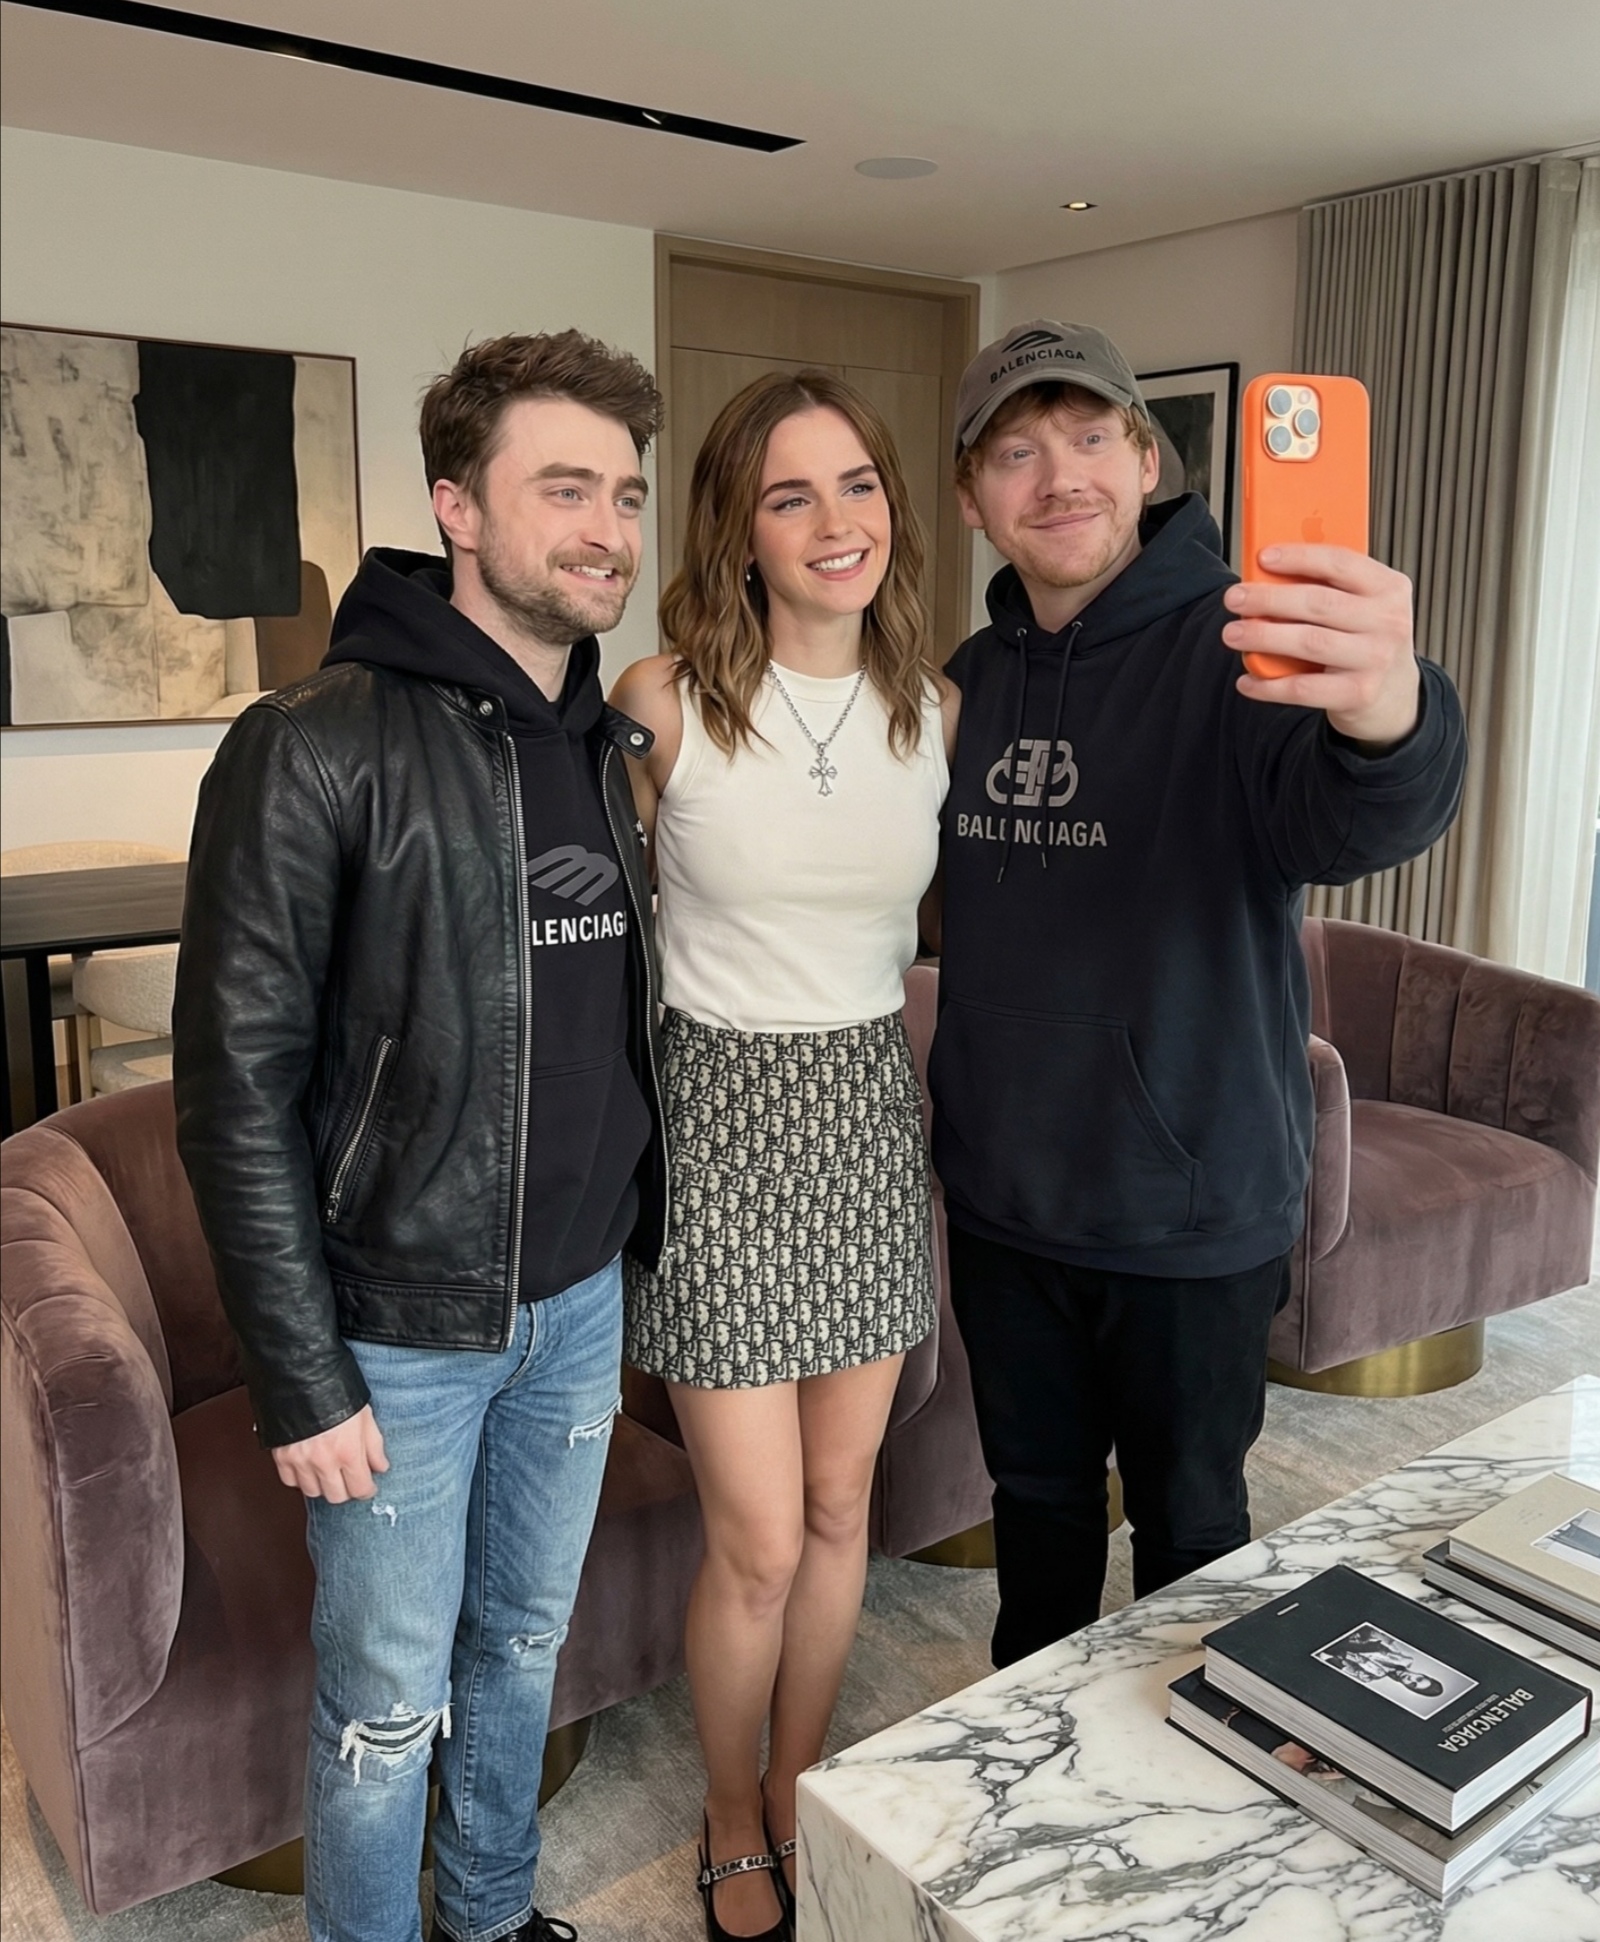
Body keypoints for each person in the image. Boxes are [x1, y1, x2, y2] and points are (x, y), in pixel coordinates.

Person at [173, 330, 669, 1942]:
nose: (608, 528)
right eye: (566, 488)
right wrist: (302, 1373)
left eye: (627, 494)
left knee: (522, 1646)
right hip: (401, 1331)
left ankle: (494, 1916)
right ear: (457, 504)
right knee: (385, 1706)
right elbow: (232, 1089)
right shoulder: (311, 743)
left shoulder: (606, 745)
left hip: (578, 1306)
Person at [929, 320, 1467, 1667]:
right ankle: (1043, 1765)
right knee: (1036, 1525)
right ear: (973, 496)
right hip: (1004, 1206)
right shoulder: (966, 686)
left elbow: (1355, 814)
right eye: (1016, 451)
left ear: (1146, 459)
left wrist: (1393, 708)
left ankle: (1195, 1775)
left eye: (1090, 437)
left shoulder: (1248, 645)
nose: (1061, 475)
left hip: (1190, 1210)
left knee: (1193, 1542)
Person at [613, 370, 957, 1942]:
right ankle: (729, 1808)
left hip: (867, 1115)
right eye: (790, 493)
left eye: (858, 484)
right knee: (753, 1540)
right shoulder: (664, 701)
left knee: (837, 1510)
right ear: (738, 529)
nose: (836, 521)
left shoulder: (935, 711)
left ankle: (801, 1777)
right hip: (720, 1125)